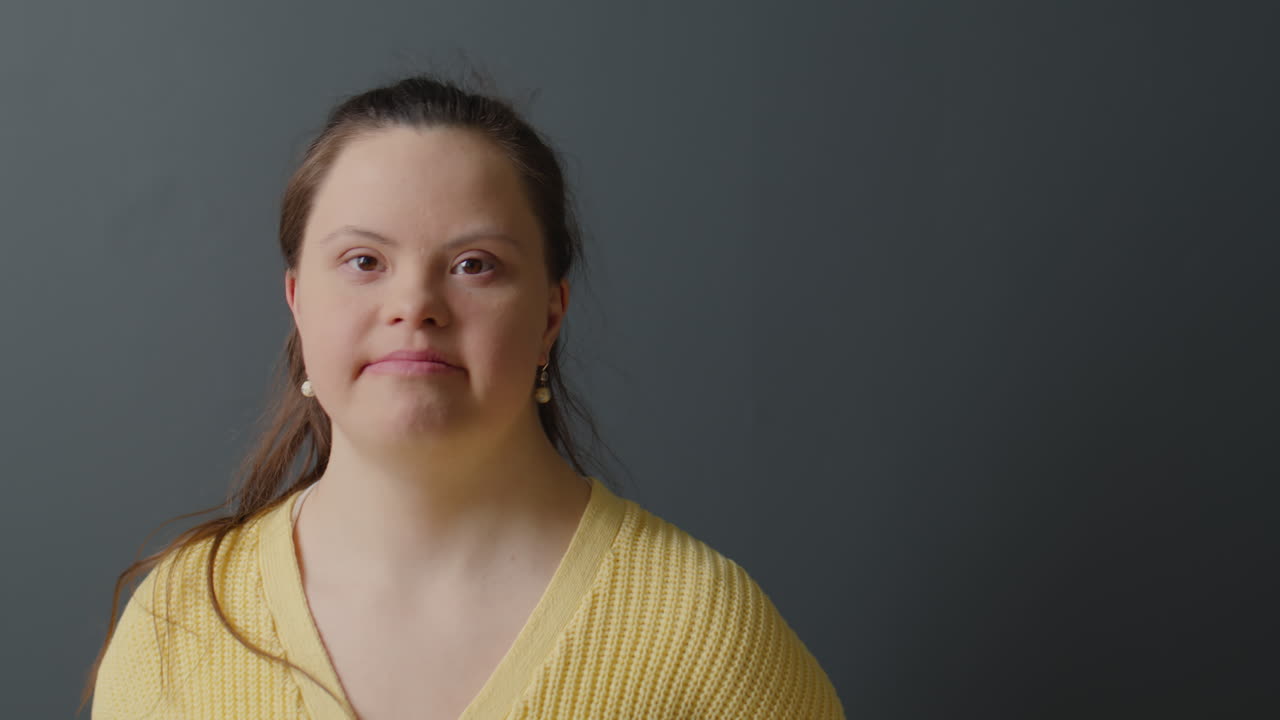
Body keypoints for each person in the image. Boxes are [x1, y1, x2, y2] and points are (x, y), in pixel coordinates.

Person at [84, 73, 845, 720]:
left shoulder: (702, 633)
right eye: (362, 260)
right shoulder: (179, 620)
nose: (415, 304)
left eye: (475, 264)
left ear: (550, 314)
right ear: (295, 301)